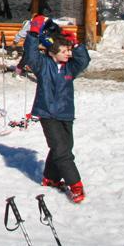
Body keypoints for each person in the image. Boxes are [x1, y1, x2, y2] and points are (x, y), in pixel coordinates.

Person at [22, 19, 90, 203]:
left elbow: (84, 60)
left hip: (66, 113)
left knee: (64, 148)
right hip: (47, 113)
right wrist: (34, 34)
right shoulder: (43, 65)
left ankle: (50, 178)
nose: (68, 54)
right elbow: (30, 54)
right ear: (53, 53)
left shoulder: (70, 67)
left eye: (69, 51)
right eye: (64, 51)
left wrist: (75, 43)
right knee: (61, 150)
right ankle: (75, 185)